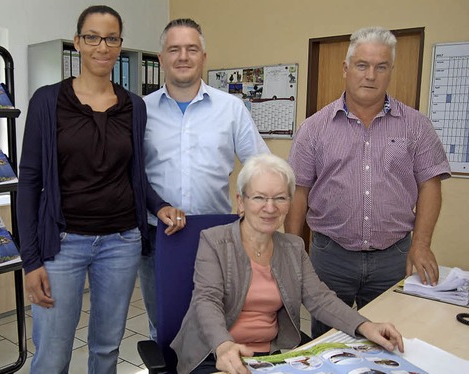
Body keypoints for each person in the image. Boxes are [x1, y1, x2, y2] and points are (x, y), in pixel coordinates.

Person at [17, 5, 185, 373]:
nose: (101, 46)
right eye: (92, 37)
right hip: (61, 245)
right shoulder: (47, 101)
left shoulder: (134, 107)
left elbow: (135, 176)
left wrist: (159, 206)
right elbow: (29, 182)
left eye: (111, 38)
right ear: (77, 42)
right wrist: (31, 261)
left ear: (120, 45)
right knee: (52, 353)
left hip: (121, 243)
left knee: (107, 348)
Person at [285, 26, 451, 338]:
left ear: (390, 71)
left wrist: (422, 244)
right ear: (346, 69)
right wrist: (292, 251)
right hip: (330, 257)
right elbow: (299, 191)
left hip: (394, 258)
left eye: (381, 66)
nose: (370, 75)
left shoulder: (417, 126)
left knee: (389, 339)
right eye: (362, 65)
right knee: (328, 340)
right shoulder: (313, 128)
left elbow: (431, 184)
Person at [171, 154, 405, 374]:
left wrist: (365, 326)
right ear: (241, 201)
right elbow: (206, 299)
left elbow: (320, 299)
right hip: (215, 352)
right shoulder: (214, 241)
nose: (270, 208)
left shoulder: (293, 247)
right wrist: (223, 345)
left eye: (280, 198)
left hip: (271, 353)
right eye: (260, 197)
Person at [141, 18, 270, 340]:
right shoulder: (141, 111)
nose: (183, 57)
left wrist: (251, 206)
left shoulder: (231, 108)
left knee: (219, 323)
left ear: (203, 57)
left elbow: (260, 166)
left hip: (217, 234)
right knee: (164, 325)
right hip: (158, 236)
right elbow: (131, 173)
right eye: (174, 49)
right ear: (161, 58)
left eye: (191, 49)